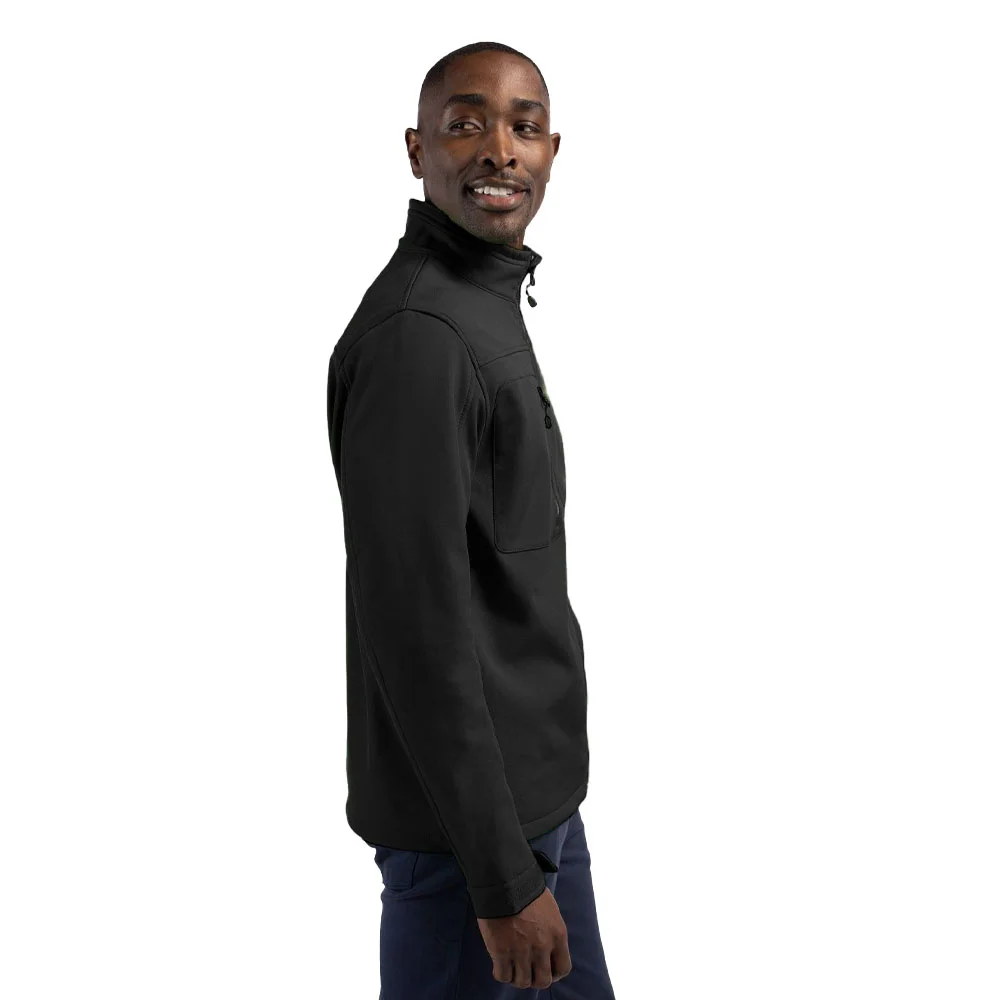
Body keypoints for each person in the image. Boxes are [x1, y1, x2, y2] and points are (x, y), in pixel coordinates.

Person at [326, 41, 615, 998]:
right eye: (464, 124)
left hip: (534, 817)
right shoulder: (420, 337)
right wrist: (500, 879)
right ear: (417, 150)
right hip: (470, 853)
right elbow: (416, 632)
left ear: (552, 150)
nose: (499, 149)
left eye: (524, 126)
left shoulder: (479, 298)